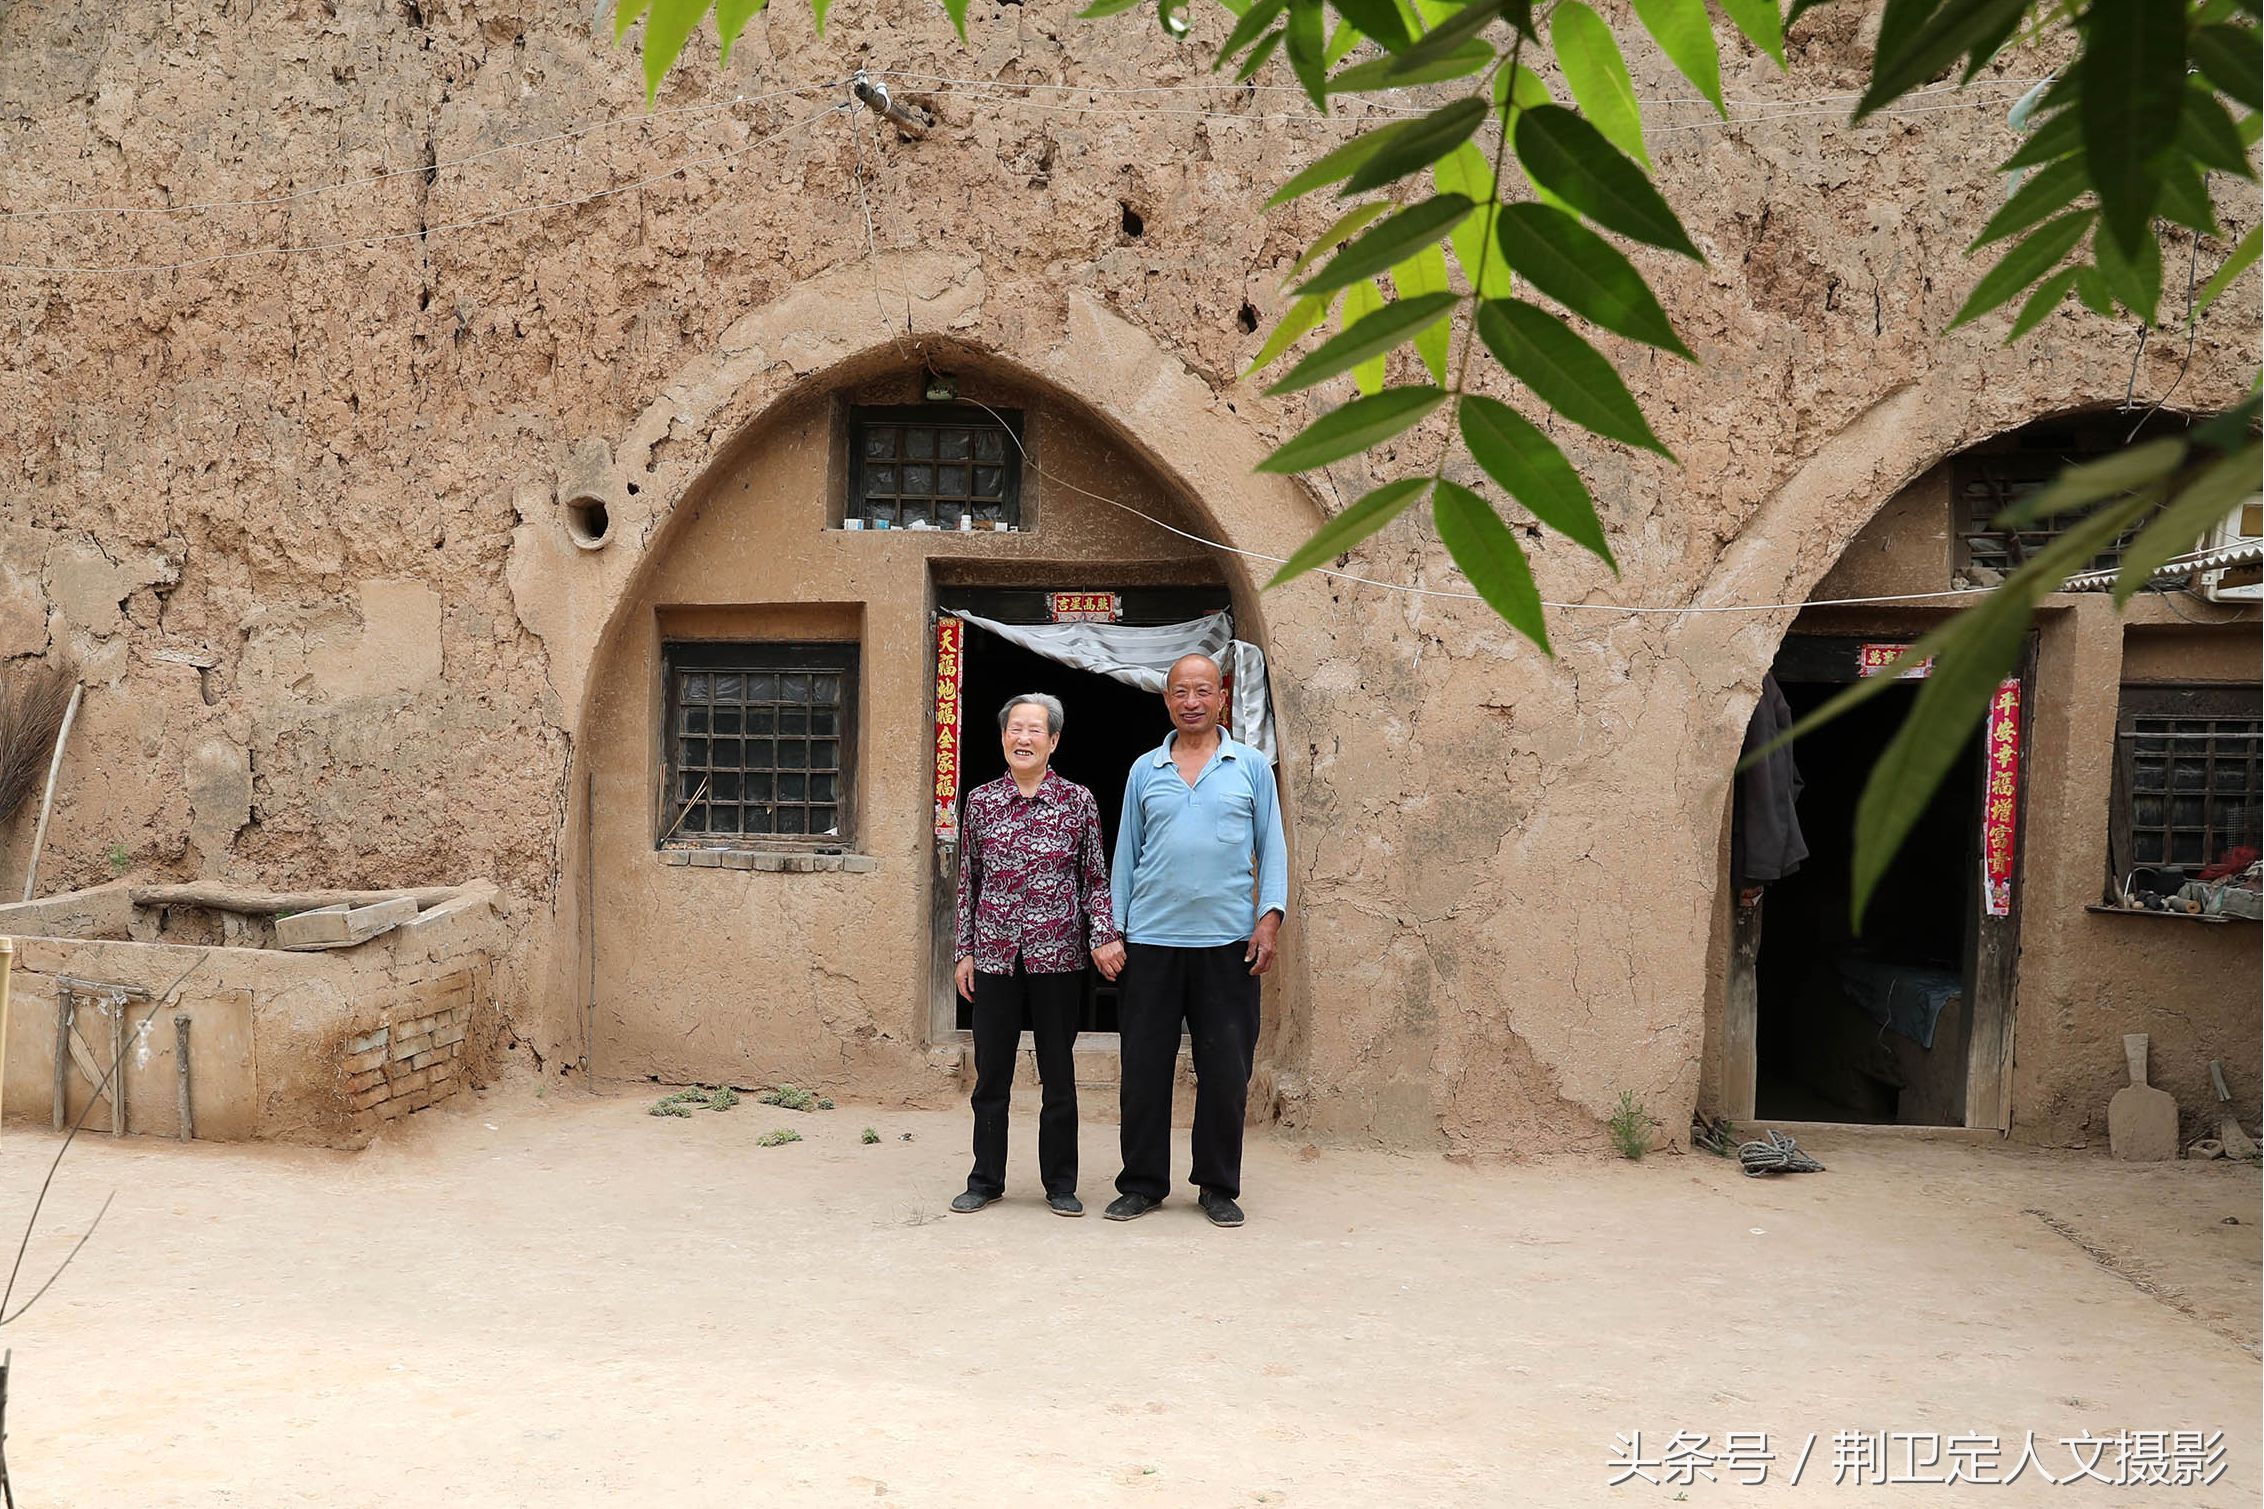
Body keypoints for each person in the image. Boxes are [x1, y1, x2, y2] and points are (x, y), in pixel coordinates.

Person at [1103, 653, 1287, 1228]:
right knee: (1144, 1069)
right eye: (1180, 691)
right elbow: (1126, 855)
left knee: (1226, 1071)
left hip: (1228, 944)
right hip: (1151, 942)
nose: (1192, 701)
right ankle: (1142, 1183)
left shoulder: (1249, 766)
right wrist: (1112, 930)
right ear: (1167, 700)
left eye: (1203, 691)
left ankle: (1217, 1185)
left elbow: (1273, 848)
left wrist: (1269, 919)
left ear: (1221, 698)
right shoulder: (1144, 770)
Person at [951, 692, 1123, 1217]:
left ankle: (1060, 1183)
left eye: (1034, 730)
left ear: (1053, 741)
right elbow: (967, 882)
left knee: (1058, 1074)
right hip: (995, 955)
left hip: (1059, 956)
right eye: (1015, 729)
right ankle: (985, 1179)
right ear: (1003, 737)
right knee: (991, 1074)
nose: (1023, 738)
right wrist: (964, 951)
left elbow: (1094, 878)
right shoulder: (981, 802)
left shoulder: (1077, 801)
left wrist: (1103, 935)